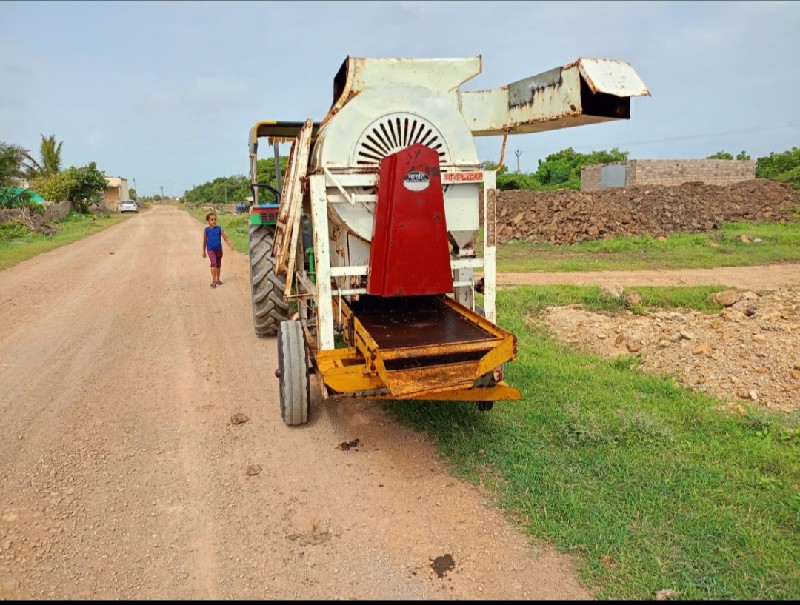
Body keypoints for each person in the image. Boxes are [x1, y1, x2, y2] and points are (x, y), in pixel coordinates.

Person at [202, 212, 233, 288]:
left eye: (215, 219)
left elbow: (225, 238)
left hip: (219, 250)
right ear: (208, 221)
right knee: (213, 263)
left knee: (218, 264)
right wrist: (203, 251)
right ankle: (214, 281)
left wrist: (230, 245)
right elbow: (205, 241)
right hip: (210, 250)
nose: (214, 221)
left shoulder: (219, 228)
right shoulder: (206, 230)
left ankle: (218, 280)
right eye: (211, 220)